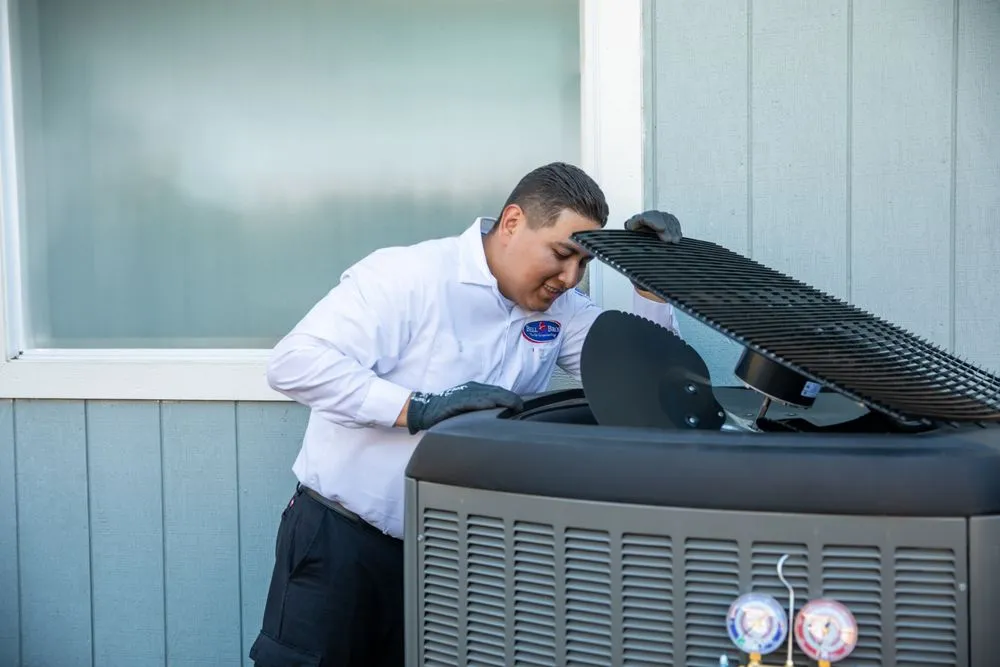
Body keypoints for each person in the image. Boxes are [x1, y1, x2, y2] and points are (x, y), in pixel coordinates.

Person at [248, 162, 684, 667]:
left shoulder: (561, 310)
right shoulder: (407, 278)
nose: (570, 278)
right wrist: (417, 408)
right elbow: (294, 364)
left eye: (584, 264)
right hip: (343, 547)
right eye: (563, 254)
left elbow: (647, 385)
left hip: (459, 561)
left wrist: (653, 285)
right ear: (514, 222)